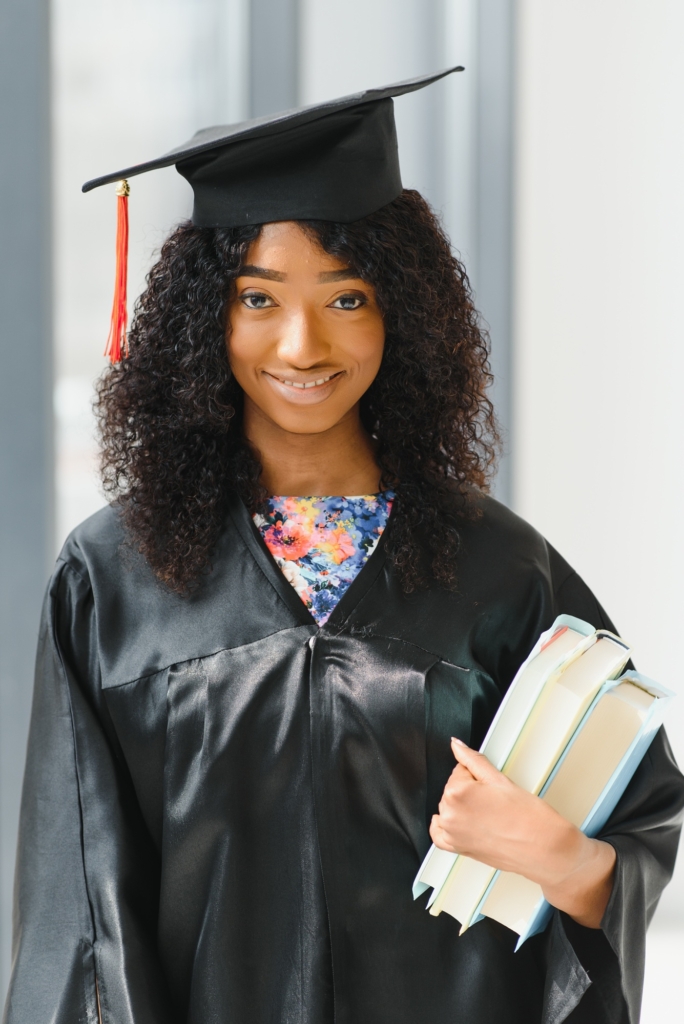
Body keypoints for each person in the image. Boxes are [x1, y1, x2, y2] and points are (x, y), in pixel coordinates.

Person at [5, 69, 684, 1024]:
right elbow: (77, 916)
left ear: (403, 309)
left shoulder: (497, 569)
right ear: (206, 321)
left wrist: (564, 860)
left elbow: (643, 818)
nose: (301, 343)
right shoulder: (114, 580)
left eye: (348, 298)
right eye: (256, 299)